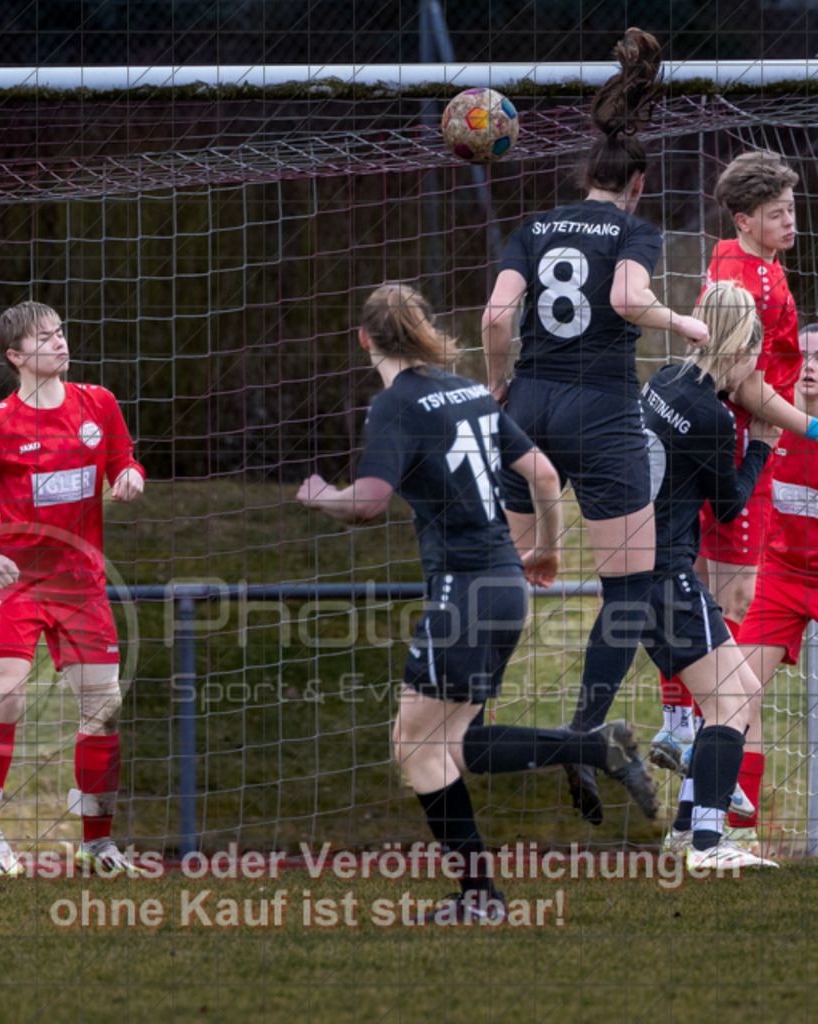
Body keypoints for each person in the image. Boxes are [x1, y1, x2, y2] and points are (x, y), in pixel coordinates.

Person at [298, 282, 658, 924]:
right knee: (443, 743)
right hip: (501, 583)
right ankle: (487, 888)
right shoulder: (466, 390)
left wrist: (320, 493)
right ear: (424, 329)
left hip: (462, 590)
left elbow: (369, 502)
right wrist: (547, 550)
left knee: (419, 747)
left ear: (365, 340)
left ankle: (576, 766)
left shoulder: (396, 405)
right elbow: (543, 473)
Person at [482, 28, 708, 823]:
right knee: (627, 587)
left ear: (583, 177)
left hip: (530, 403)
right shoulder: (633, 231)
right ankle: (587, 733)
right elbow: (624, 300)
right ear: (638, 183)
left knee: (501, 570)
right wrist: (685, 322)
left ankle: (468, 713)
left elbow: (495, 317)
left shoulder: (536, 228)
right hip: (604, 409)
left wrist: (500, 387)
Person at [650, 151, 816, 837]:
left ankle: (696, 782)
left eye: (792, 209)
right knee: (722, 599)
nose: (790, 221)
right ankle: (690, 738)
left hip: (739, 443)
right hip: (735, 447)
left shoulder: (757, 266)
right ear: (745, 219)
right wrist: (805, 427)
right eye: (777, 213)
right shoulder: (739, 281)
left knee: (717, 600)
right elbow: (743, 378)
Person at [0, 301, 146, 878]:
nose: (59, 343)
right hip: (19, 585)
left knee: (104, 710)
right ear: (16, 356)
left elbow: (122, 463)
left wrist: (130, 476)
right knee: (7, 698)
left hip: (81, 585)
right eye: (44, 338)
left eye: (60, 332)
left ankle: (98, 843)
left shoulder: (99, 404)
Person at [640, 281, 779, 869]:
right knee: (731, 701)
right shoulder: (713, 418)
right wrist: (762, 447)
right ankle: (706, 843)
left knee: (735, 693)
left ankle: (686, 830)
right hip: (665, 574)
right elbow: (728, 506)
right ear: (743, 348)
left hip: (632, 567)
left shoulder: (661, 380)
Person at [731, 324, 818, 854]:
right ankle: (734, 838)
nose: (810, 364)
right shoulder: (770, 420)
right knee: (736, 691)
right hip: (781, 576)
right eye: (802, 353)